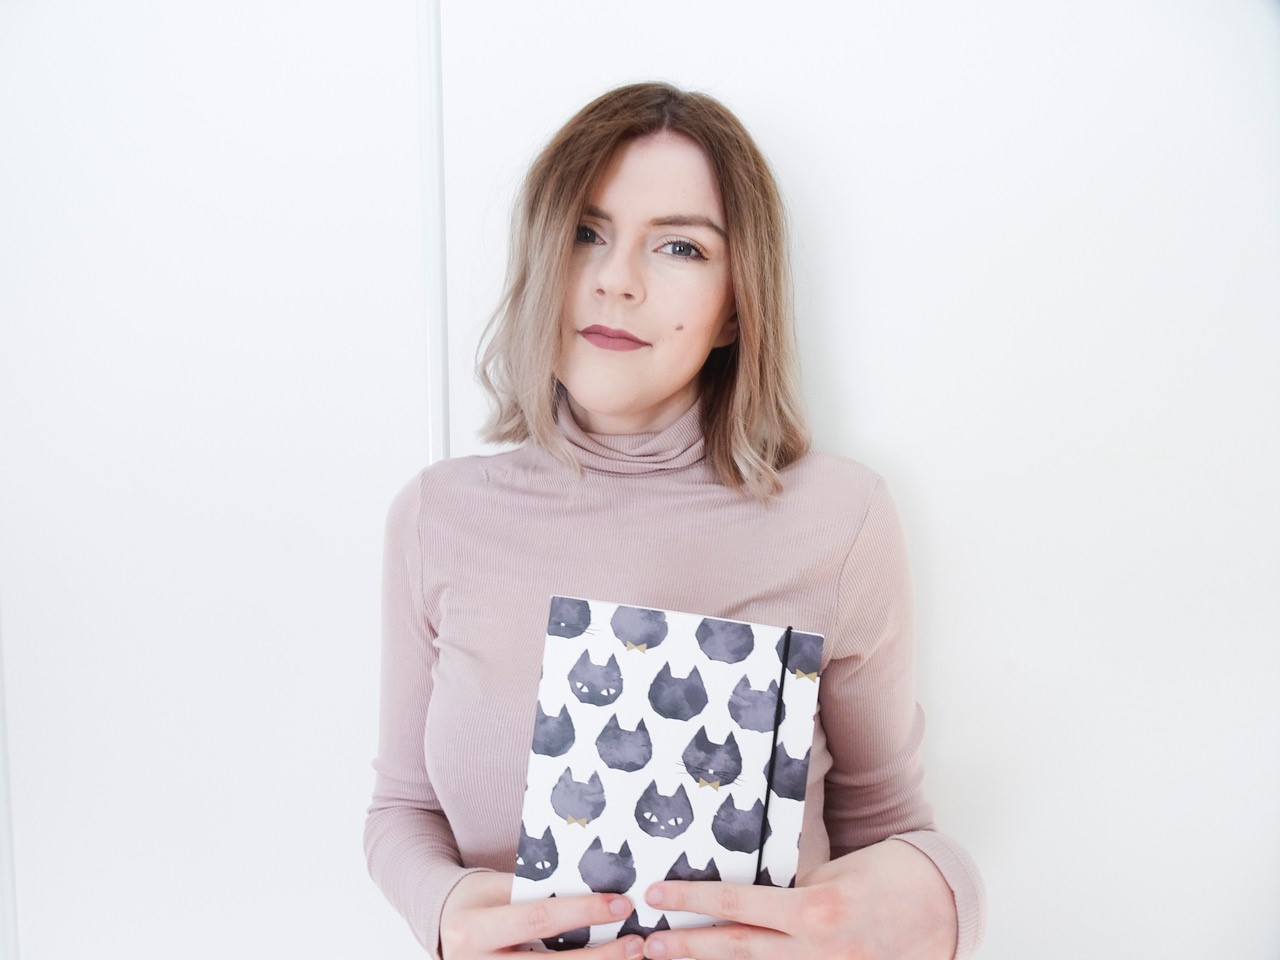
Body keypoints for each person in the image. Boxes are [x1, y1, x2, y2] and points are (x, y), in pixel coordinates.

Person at [365, 82, 985, 960]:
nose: (615, 280)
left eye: (681, 247)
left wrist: (950, 906)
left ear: (736, 304)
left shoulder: (841, 520)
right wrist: (446, 909)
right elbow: (402, 808)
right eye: (586, 233)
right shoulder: (438, 516)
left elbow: (891, 831)